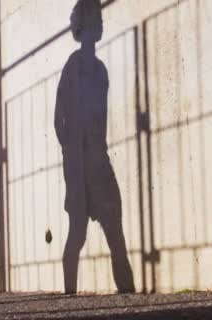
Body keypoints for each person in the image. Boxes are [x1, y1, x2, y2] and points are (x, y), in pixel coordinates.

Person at [55, 0, 135, 294]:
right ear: (80, 28)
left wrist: (96, 156)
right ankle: (70, 297)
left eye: (99, 19)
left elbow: (98, 121)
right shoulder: (73, 67)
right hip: (78, 166)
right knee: (77, 233)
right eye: (91, 20)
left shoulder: (100, 70)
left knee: (115, 231)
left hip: (99, 163)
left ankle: (127, 292)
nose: (97, 25)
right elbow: (60, 119)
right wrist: (74, 162)